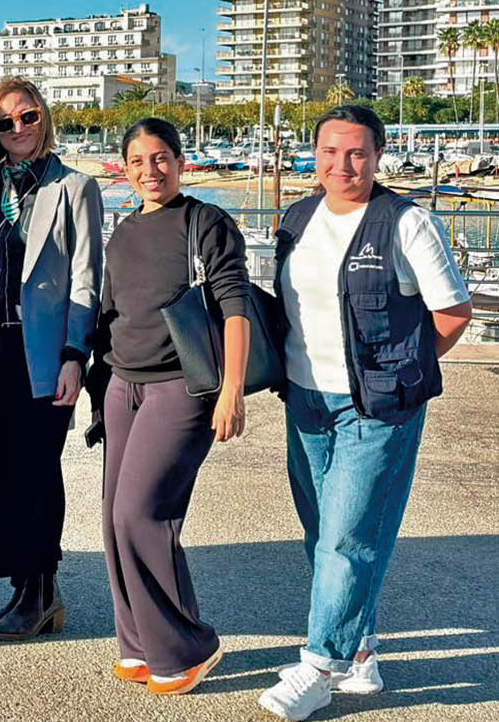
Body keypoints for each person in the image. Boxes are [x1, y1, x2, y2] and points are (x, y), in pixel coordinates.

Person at [258, 106, 471, 721]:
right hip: (305, 400)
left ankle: (319, 665)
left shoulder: (407, 222)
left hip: (375, 409)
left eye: (356, 153)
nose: (342, 164)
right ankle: (360, 651)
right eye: (330, 151)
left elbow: (452, 313)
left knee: (348, 537)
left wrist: (403, 373)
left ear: (377, 156)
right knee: (324, 532)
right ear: (315, 153)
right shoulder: (297, 219)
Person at [85, 117, 245, 696]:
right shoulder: (124, 231)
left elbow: (235, 306)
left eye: (160, 158)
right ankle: (138, 644)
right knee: (113, 519)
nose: (149, 170)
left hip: (181, 387)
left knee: (142, 514)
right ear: (125, 170)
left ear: (180, 162)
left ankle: (187, 647)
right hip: (121, 386)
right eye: (137, 161)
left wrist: (231, 389)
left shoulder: (205, 222)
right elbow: (111, 313)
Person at [0, 76, 102, 643]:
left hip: (42, 354)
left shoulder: (74, 188)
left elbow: (88, 278)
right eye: (5, 122)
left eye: (28, 116)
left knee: (38, 468)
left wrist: (75, 356)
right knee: (6, 470)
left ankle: (41, 593)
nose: (18, 128)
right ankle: (24, 587)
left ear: (44, 118)